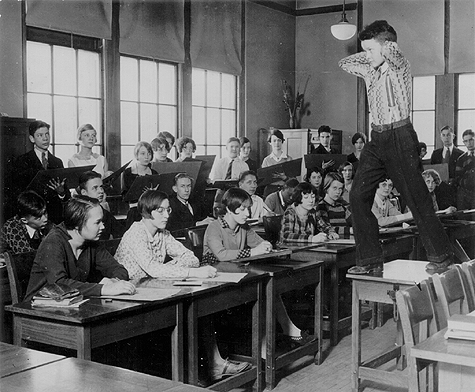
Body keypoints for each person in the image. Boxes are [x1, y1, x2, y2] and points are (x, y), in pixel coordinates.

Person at [339, 19, 454, 272]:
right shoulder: (370, 69)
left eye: (370, 50)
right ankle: (370, 261)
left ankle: (442, 258)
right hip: (377, 138)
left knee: (416, 198)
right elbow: (344, 63)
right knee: (357, 195)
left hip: (400, 136)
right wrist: (370, 50)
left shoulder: (399, 67)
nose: (367, 56)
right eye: (365, 50)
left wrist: (384, 46)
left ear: (387, 46)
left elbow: (394, 54)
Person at [115, 190, 250, 381]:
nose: (166, 215)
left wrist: (167, 268)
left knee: (200, 306)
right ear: (147, 211)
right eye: (160, 211)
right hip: (129, 298)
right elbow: (154, 269)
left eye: (168, 210)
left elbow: (191, 258)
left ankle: (212, 365)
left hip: (155, 289)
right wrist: (185, 271)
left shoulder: (163, 234)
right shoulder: (136, 233)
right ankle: (200, 371)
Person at [203, 188, 312, 346]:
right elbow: (221, 255)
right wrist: (252, 251)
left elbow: (260, 243)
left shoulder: (243, 227)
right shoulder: (214, 227)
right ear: (228, 209)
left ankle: (287, 332)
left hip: (236, 275)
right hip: (215, 281)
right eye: (242, 209)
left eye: (248, 208)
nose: (247, 213)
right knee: (265, 289)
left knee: (269, 286)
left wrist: (266, 245)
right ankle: (273, 341)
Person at [24, 196, 135, 302]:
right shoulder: (53, 242)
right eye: (97, 222)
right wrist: (103, 289)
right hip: (36, 310)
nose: (103, 227)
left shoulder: (91, 241)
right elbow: (59, 284)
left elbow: (118, 269)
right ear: (78, 223)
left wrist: (113, 282)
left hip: (70, 304)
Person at [15, 120, 70, 224]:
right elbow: (19, 193)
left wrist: (61, 192)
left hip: (54, 218)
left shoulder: (57, 162)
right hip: (33, 217)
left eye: (47, 134)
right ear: (32, 139)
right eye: (40, 135)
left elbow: (66, 195)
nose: (45, 138)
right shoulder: (22, 161)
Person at [77, 171, 125, 240]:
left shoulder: (105, 213)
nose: (101, 191)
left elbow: (121, 232)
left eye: (101, 187)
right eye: (95, 188)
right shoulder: (78, 215)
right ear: (84, 193)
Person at [122, 142, 158, 229]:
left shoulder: (154, 173)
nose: (146, 156)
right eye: (143, 153)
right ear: (136, 155)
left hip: (151, 212)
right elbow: (124, 196)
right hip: (135, 212)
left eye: (149, 153)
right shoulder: (128, 173)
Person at [261, 129, 292, 198]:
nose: (277, 143)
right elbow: (263, 180)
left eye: (279, 140)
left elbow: (293, 180)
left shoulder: (288, 159)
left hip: (285, 190)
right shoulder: (266, 160)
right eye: (274, 141)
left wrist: (285, 177)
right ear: (270, 142)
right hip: (270, 190)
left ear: (282, 142)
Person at [454, 129, 475, 210]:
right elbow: (458, 178)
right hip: (465, 195)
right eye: (466, 141)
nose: (469, 143)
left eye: (471, 140)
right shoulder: (461, 159)